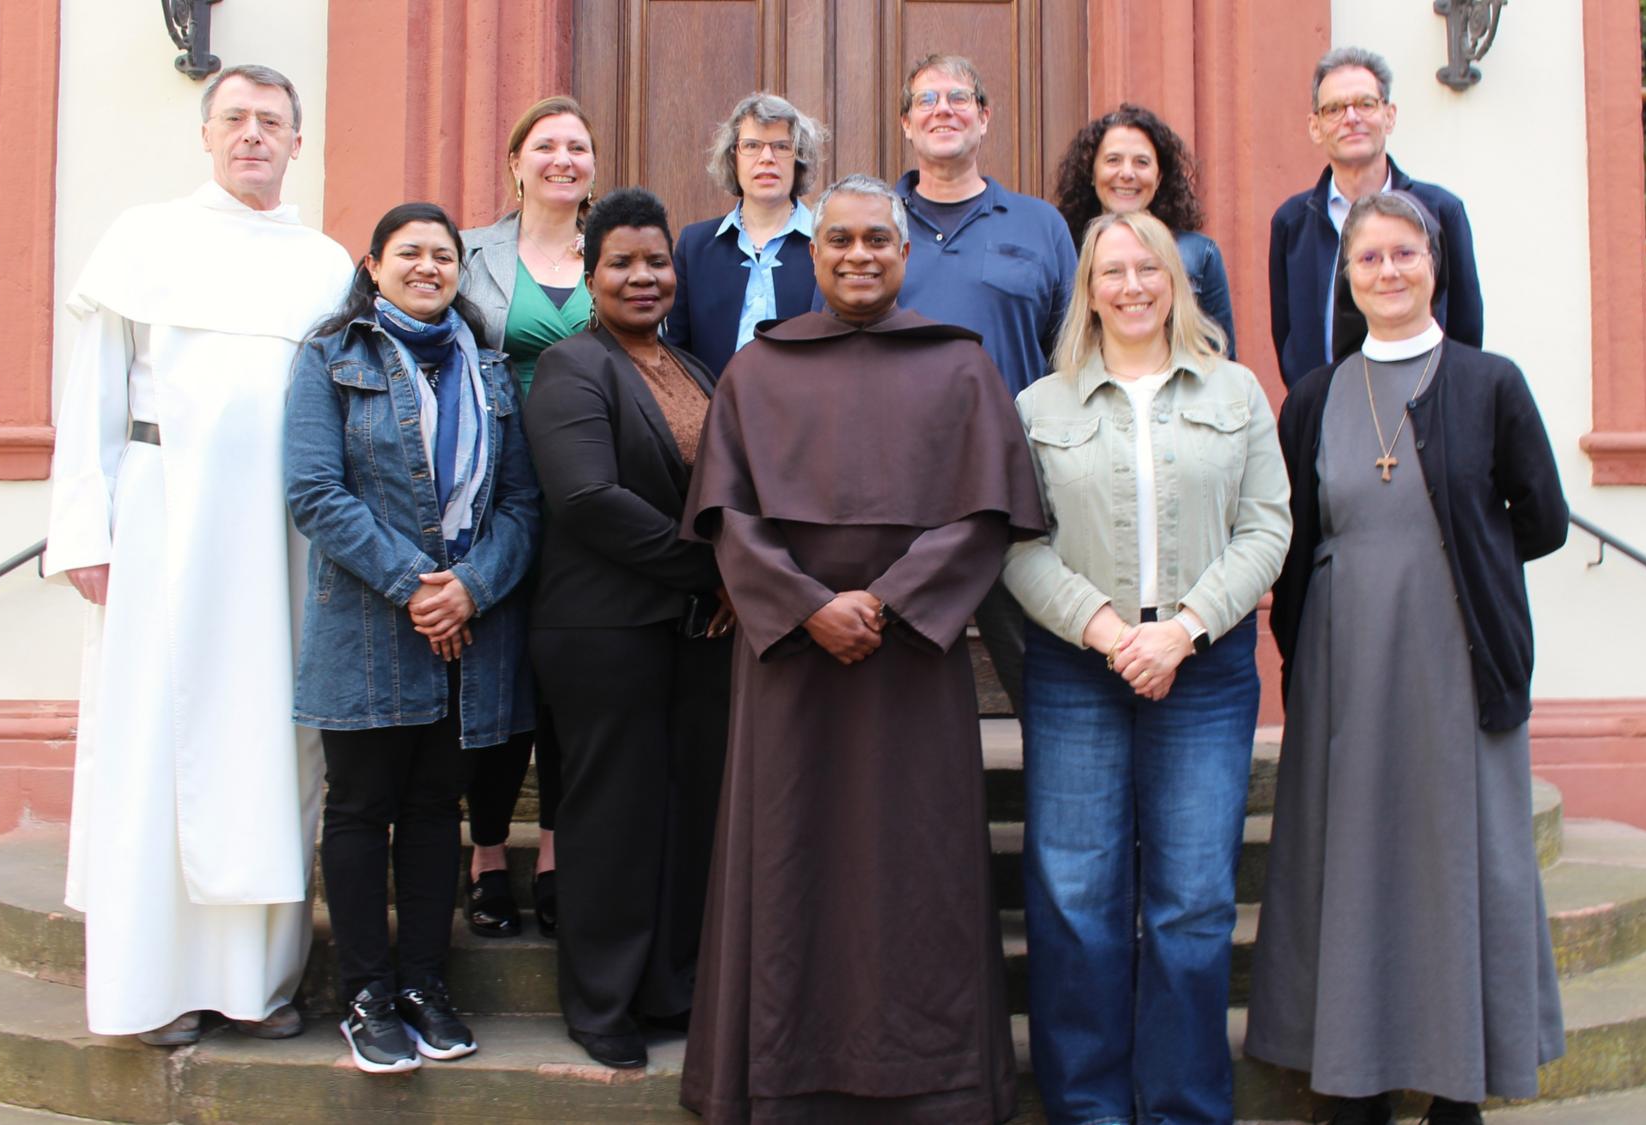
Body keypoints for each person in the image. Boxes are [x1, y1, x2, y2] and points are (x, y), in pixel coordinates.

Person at [678, 174, 1045, 1124]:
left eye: (877, 239)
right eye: (839, 239)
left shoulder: (961, 367)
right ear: (815, 253)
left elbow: (986, 515)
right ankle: (780, 1078)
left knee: (920, 868)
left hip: (910, 659)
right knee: (787, 858)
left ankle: (937, 1085)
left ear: (905, 252)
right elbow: (727, 518)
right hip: (792, 662)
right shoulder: (756, 371)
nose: (857, 255)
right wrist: (807, 606)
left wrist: (887, 602)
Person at [41, 63, 352, 1046]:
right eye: (236, 119)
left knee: (272, 753)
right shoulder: (144, 239)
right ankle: (150, 989)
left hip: (280, 545)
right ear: (207, 134)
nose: (253, 134)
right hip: (161, 526)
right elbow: (92, 396)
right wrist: (84, 533)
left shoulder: (324, 263)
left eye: (272, 121)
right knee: (154, 751)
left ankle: (254, 985)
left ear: (297, 142)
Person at [1244, 191, 1567, 1125]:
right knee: (1349, 859)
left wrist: (1451, 562)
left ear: (1435, 267)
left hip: (1457, 659)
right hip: (1346, 662)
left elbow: (1541, 520)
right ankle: (1356, 1081)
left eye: (1404, 254)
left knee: (1457, 859)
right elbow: (1293, 535)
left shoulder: (1491, 383)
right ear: (1346, 279)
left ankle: (1457, 1086)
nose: (1388, 271)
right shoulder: (1314, 398)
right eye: (1368, 258)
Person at [1005, 210, 1290, 1124]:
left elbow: (1267, 526)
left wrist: (1184, 631)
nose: (1131, 286)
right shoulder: (1040, 406)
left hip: (1203, 671)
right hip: (1077, 669)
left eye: (1148, 268)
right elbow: (1017, 544)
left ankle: (1181, 1106)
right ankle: (1088, 1105)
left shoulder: (1237, 391)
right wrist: (1106, 632)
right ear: (1087, 291)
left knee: (1193, 900)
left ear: (1176, 280)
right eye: (1112, 271)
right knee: (1075, 895)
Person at [285, 202, 540, 1073]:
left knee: (436, 811)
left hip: (466, 629)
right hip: (366, 626)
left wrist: (470, 588)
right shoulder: (329, 357)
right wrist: (415, 586)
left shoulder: (490, 370)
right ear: (373, 266)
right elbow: (315, 492)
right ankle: (367, 995)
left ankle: (427, 985)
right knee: (360, 809)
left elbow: (521, 505)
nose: (428, 266)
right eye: (410, 253)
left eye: (444, 255)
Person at [521, 188, 734, 1071]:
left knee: (685, 811)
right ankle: (601, 1001)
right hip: (603, 631)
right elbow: (588, 499)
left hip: (693, 635)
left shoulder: (694, 369)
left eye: (656, 261)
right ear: (589, 274)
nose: (643, 276)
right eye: (622, 262)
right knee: (612, 817)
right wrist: (716, 570)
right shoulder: (572, 367)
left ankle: (667, 987)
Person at [456, 94, 603, 941]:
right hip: (491, 492)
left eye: (576, 146)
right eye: (545, 145)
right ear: (516, 162)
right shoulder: (468, 252)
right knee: (496, 672)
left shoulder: (612, 250)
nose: (561, 159)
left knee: (568, 678)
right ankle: (484, 855)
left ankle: (554, 853)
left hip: (588, 489)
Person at [892, 52, 1076, 714]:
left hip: (1012, 481)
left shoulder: (1040, 224)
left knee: (1040, 664)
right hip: (898, 484)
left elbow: (1073, 355)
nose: (943, 109)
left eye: (959, 97)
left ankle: (1061, 780)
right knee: (894, 662)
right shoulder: (872, 224)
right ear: (906, 123)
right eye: (926, 99)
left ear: (985, 116)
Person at [1268, 46, 1483, 388]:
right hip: (1327, 412)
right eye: (1334, 109)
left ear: (1389, 115)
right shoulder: (1292, 223)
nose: (1351, 118)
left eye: (1365, 104)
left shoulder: (1440, 212)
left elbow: (1465, 330)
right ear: (1315, 126)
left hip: (1424, 407)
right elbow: (1288, 339)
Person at [1052, 103, 1238, 358]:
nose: (1127, 173)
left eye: (1141, 162)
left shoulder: (1199, 254)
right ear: (1092, 173)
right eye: (1113, 160)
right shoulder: (1064, 252)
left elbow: (1221, 357)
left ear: (1159, 177)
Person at [663, 92, 827, 378]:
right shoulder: (695, 247)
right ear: (733, 158)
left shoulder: (827, 244)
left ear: (798, 159)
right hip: (714, 405)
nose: (767, 158)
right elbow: (676, 356)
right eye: (752, 146)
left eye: (781, 146)